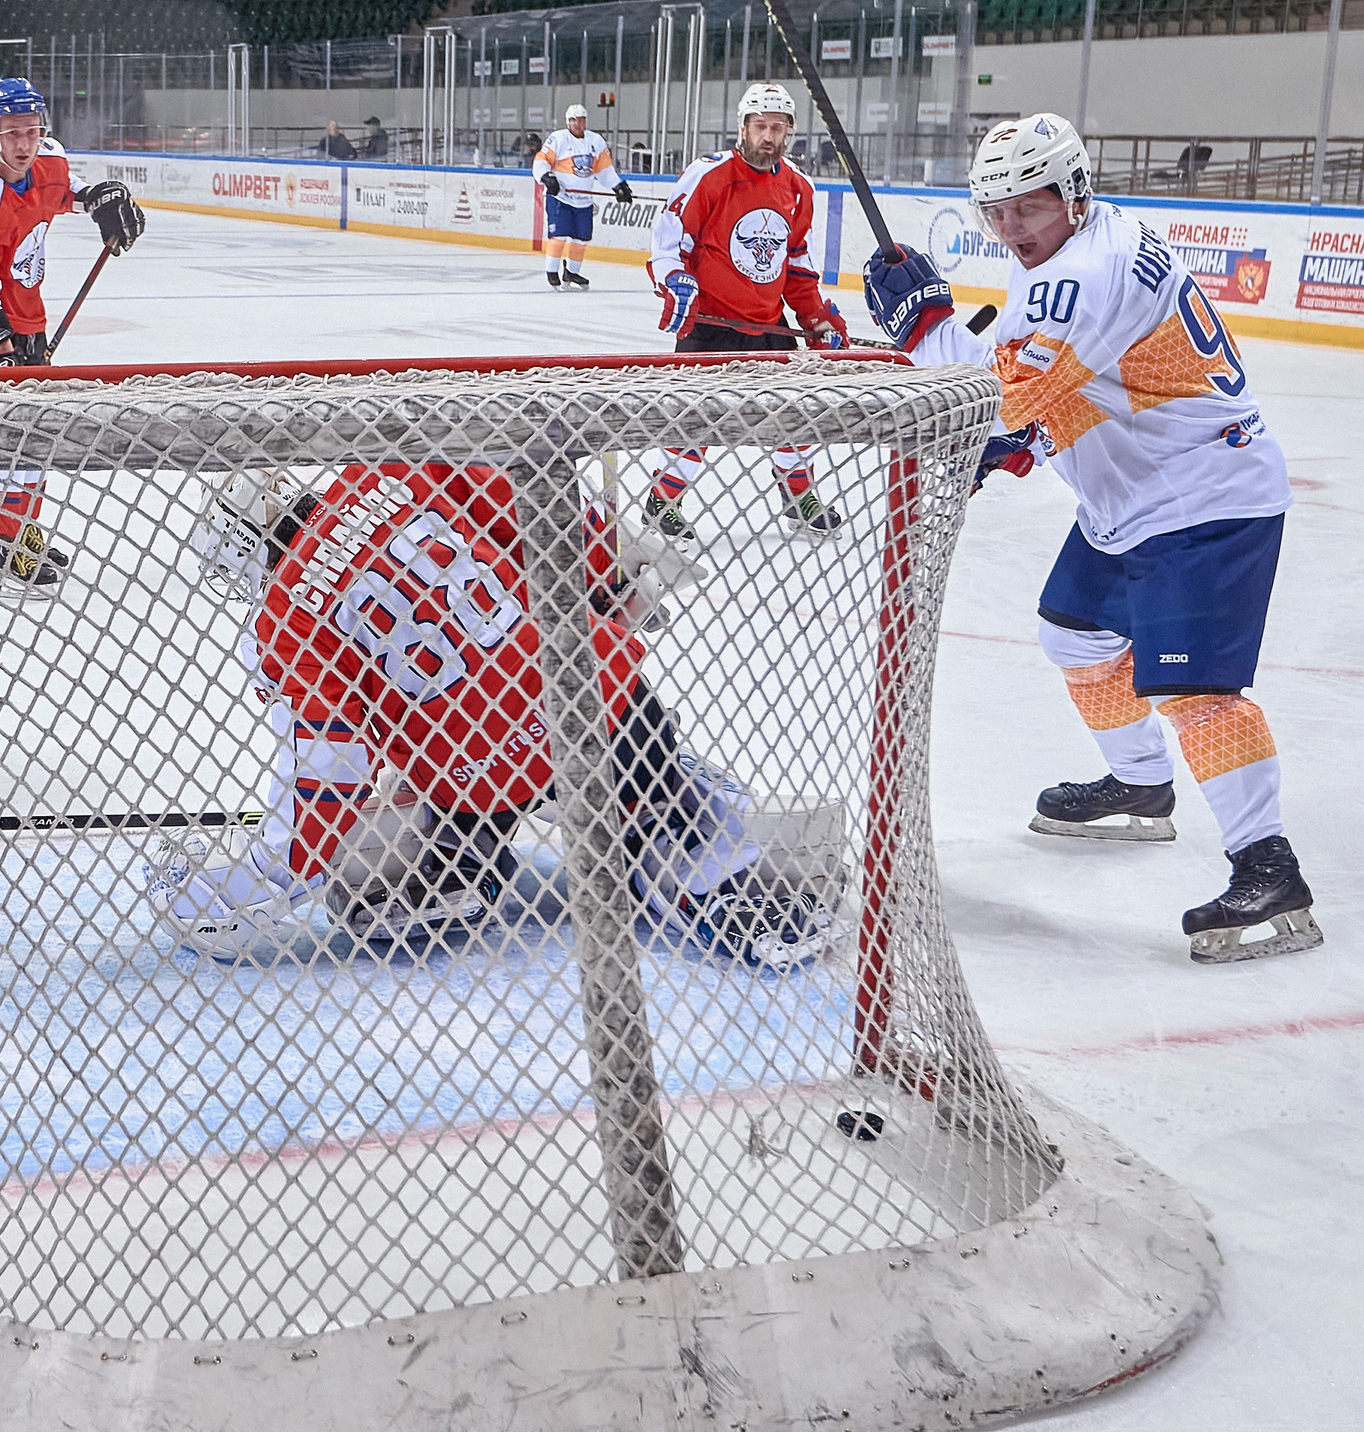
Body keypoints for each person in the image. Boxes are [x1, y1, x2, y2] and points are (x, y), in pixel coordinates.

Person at [862, 112, 1319, 965]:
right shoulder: (1098, 243)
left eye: (1027, 208)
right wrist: (1016, 436)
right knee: (1074, 635)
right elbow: (1064, 385)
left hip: (1202, 500)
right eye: (993, 211)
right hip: (1135, 496)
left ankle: (1269, 866)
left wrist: (923, 327)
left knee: (1199, 697)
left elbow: (991, 405)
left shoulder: (1081, 275)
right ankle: (1142, 786)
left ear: (1073, 192)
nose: (1010, 229)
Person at [143, 464, 816, 966]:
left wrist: (256, 882)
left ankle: (467, 868)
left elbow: (330, 771)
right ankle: (676, 844)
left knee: (362, 873)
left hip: (474, 777)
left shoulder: (281, 622)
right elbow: (540, 512)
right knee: (654, 803)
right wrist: (609, 577)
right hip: (598, 703)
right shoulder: (390, 467)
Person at [0, 77, 146, 602]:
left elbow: (60, 195)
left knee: (33, 437)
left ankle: (20, 533)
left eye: (32, 130)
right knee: (1, 441)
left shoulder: (47, 160)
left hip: (25, 315)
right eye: (11, 132)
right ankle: (4, 554)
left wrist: (98, 201)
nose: (23, 144)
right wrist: (3, 346)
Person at [642, 82, 852, 541]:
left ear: (789, 132)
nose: (768, 137)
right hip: (711, 324)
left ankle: (798, 497)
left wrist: (815, 318)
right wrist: (676, 282)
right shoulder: (709, 175)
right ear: (743, 127)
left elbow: (797, 264)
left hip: (766, 323)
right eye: (761, 127)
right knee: (694, 419)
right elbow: (669, 242)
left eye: (778, 128)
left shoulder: (798, 187)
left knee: (793, 414)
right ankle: (662, 501)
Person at [531, 101, 632, 290]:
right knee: (559, 236)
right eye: (574, 120)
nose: (578, 124)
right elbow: (541, 160)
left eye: (582, 120)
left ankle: (572, 272)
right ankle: (552, 271)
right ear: (568, 122)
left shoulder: (596, 141)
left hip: (584, 200)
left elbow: (605, 170)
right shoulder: (558, 139)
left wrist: (618, 186)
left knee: (582, 238)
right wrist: (546, 177)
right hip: (560, 197)